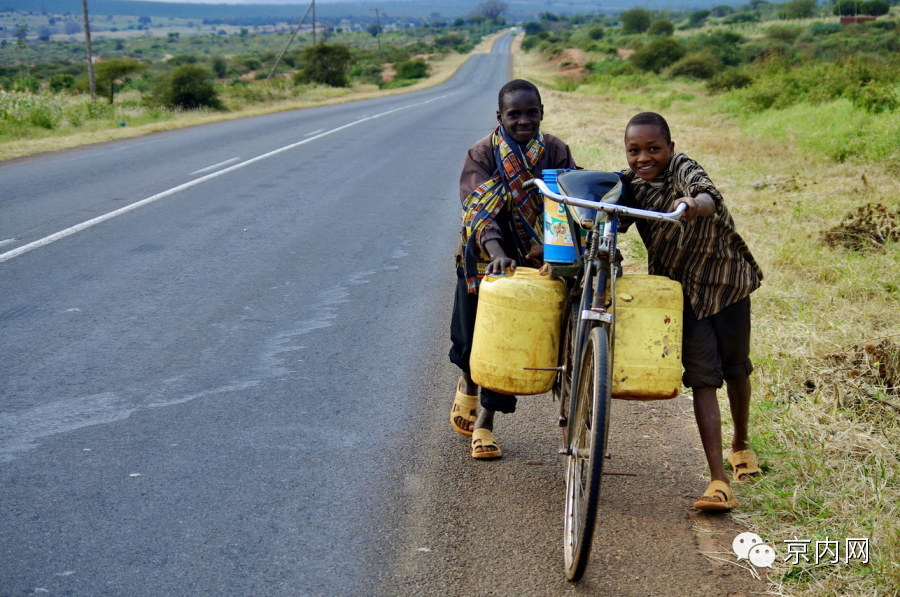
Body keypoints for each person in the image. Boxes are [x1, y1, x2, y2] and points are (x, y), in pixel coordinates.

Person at [618, 111, 763, 510]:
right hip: (681, 294)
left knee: (736, 367)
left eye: (653, 149)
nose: (643, 158)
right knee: (702, 378)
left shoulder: (684, 169)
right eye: (634, 151)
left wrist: (692, 204)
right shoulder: (631, 185)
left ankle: (741, 444)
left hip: (726, 281)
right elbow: (609, 208)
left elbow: (706, 194)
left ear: (671, 148)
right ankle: (718, 482)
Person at [449, 79, 576, 460]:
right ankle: (468, 381)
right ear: (500, 117)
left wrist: (550, 245)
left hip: (536, 261)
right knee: (470, 342)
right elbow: (477, 207)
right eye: (514, 114)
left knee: (506, 343)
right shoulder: (482, 153)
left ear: (541, 113)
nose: (524, 120)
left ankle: (485, 424)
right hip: (484, 257)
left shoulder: (554, 150)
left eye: (531, 113)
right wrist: (497, 250)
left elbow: (567, 200)